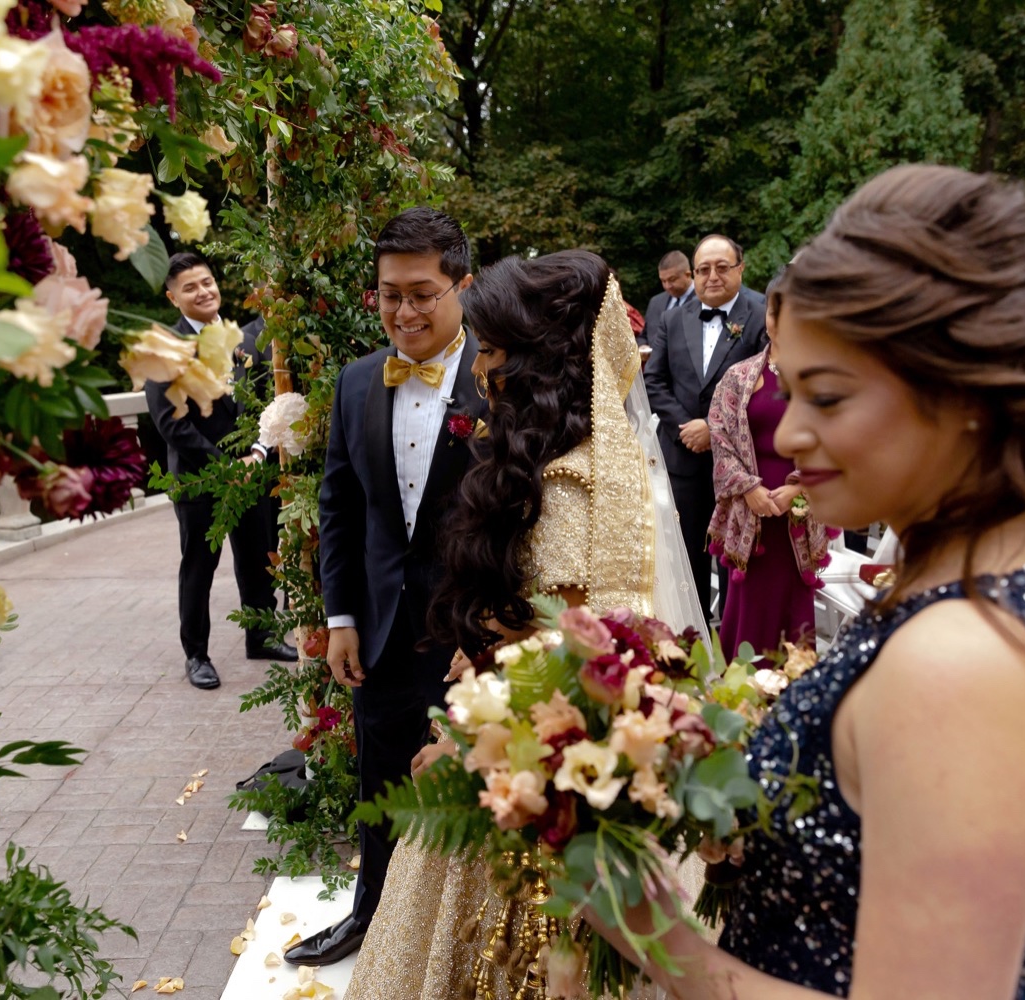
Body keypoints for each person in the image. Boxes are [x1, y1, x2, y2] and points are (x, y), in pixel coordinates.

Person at [587, 164, 1025, 1000]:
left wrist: (653, 933)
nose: (791, 429)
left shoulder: (970, 660)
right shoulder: (1021, 575)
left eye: (827, 395)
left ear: (958, 392)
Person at [343, 249, 706, 1000]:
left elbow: (579, 652)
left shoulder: (573, 484)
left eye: (498, 351)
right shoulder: (556, 460)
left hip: (531, 764)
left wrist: (464, 734)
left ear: (545, 362)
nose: (483, 367)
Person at [296, 208, 485, 967]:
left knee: (473, 788)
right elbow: (339, 507)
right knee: (379, 782)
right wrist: (340, 615)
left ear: (462, 286)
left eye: (422, 294)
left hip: (474, 633)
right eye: (387, 295)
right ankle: (370, 920)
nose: (403, 312)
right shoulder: (355, 382)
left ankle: (457, 948)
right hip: (377, 629)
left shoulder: (500, 379)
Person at [144, 252, 293, 691]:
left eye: (206, 282)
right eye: (190, 287)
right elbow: (171, 423)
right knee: (199, 567)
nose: (203, 292)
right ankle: (197, 655)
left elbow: (268, 398)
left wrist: (259, 452)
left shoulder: (241, 339)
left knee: (257, 557)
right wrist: (228, 467)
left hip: (253, 471)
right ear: (173, 298)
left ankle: (262, 636)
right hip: (200, 480)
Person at [644, 234, 767, 621]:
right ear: (693, 274)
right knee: (687, 559)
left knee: (736, 561)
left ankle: (733, 641)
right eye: (703, 269)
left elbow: (769, 383)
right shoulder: (671, 317)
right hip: (683, 460)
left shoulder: (761, 314)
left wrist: (713, 430)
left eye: (722, 267)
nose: (712, 276)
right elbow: (654, 380)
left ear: (740, 269)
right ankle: (692, 642)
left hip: (741, 465)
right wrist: (686, 426)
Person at [707, 281, 825, 659]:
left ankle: (793, 701)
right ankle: (738, 698)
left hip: (798, 518)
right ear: (766, 316)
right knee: (748, 612)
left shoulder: (826, 380)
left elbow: (836, 444)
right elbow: (719, 436)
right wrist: (748, 489)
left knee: (794, 615)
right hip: (750, 517)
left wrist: (798, 490)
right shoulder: (739, 377)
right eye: (777, 312)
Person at [640, 249, 696, 346]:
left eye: (672, 280)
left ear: (688, 275)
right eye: (663, 281)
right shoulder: (655, 302)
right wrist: (642, 346)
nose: (667, 286)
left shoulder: (705, 301)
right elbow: (643, 336)